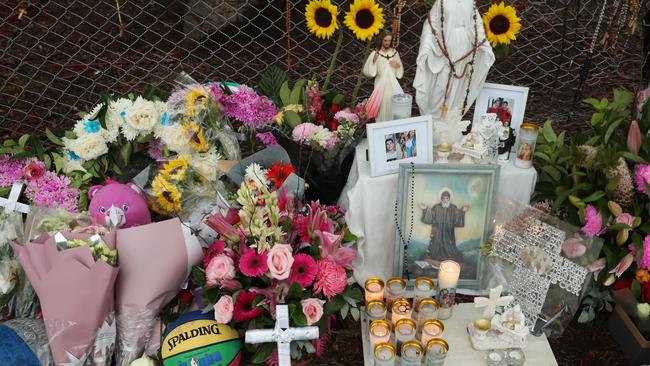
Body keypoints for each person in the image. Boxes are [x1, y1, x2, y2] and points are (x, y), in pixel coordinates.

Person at [414, 0, 495, 119]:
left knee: (459, 84)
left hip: (465, 47)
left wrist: (485, 45)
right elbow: (431, 25)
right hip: (445, 48)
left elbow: (477, 25)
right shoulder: (442, 2)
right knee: (441, 84)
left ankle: (451, 119)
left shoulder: (470, 3)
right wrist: (426, 45)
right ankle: (434, 118)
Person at [363, 31, 404, 122]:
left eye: (389, 40)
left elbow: (399, 69)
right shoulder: (376, 53)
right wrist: (373, 61)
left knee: (392, 101)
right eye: (385, 40)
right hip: (380, 83)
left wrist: (397, 65)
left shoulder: (394, 53)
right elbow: (367, 71)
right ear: (381, 40)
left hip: (392, 83)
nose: (387, 43)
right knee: (381, 104)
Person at [419, 190, 469, 263]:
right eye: (444, 198)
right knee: (436, 244)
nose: (445, 200)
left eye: (447, 198)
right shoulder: (436, 207)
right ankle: (436, 256)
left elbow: (458, 219)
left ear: (449, 199)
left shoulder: (453, 208)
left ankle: (449, 257)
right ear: (441, 199)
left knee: (449, 245)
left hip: (448, 232)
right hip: (438, 231)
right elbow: (431, 217)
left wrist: (463, 211)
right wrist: (425, 209)